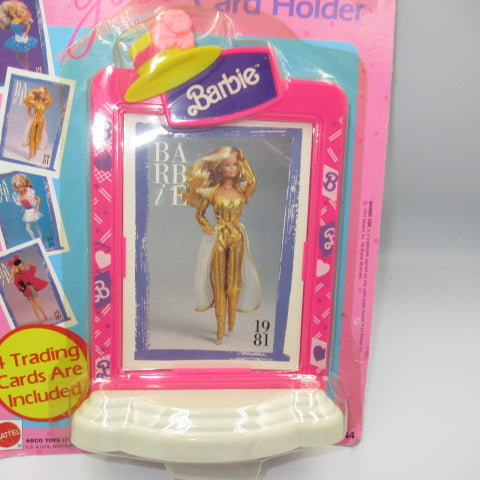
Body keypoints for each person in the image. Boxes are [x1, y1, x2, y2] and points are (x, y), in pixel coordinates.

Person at [184, 146, 261, 345]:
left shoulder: (242, 191)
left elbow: (252, 181)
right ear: (219, 167)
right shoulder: (212, 192)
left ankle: (231, 323)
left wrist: (244, 160)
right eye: (227, 165)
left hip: (236, 237)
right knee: (219, 283)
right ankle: (219, 329)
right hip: (219, 237)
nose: (231, 169)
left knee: (234, 285)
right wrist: (207, 227)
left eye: (235, 165)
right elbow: (199, 213)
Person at [9, 254, 48, 323]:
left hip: (31, 289)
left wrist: (31, 264)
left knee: (38, 303)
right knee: (33, 306)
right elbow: (16, 283)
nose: (22, 267)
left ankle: (44, 315)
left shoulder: (26, 272)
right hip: (26, 291)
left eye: (22, 265)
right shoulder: (17, 276)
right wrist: (21, 288)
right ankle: (39, 319)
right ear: (17, 268)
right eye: (20, 267)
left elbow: (32, 272)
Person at [0, 1, 39, 69]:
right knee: (18, 56)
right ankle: (25, 68)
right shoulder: (11, 20)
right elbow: (5, 26)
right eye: (10, 11)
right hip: (17, 38)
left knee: (25, 55)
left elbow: (29, 24)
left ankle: (27, 68)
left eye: (12, 10)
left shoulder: (20, 19)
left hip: (22, 37)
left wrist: (26, 34)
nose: (12, 12)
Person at [11, 173, 43, 240]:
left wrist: (38, 207)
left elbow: (39, 198)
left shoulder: (28, 194)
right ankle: (41, 237)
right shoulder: (19, 197)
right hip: (27, 212)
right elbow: (23, 203)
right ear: (17, 188)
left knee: (28, 228)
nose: (22, 188)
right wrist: (23, 208)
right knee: (36, 225)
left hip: (31, 212)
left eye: (23, 186)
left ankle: (35, 240)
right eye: (19, 187)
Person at [23, 86, 51, 159]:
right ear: (38, 94)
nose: (42, 95)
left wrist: (46, 92)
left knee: (38, 137)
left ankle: (35, 152)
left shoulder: (45, 103)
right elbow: (29, 108)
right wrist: (30, 113)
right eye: (41, 93)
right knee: (31, 136)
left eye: (44, 93)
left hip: (41, 120)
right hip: (34, 119)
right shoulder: (34, 102)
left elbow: (49, 100)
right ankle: (31, 153)